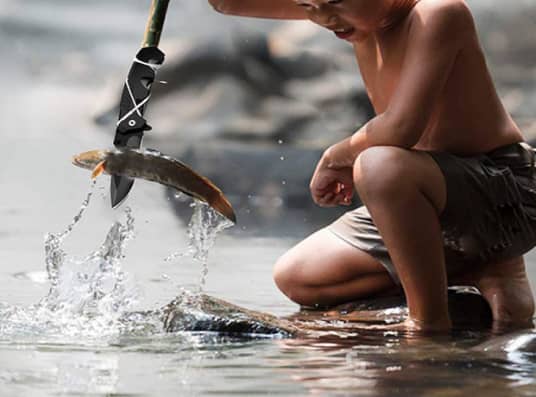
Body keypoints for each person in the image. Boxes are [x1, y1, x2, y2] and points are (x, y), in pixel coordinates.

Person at [208, 0, 536, 332]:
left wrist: (337, 155)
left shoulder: (437, 13)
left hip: (501, 194)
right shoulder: (360, 17)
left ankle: (430, 319)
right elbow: (226, 3)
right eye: (307, 6)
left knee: (377, 165)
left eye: (334, 2)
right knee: (297, 276)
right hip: (425, 198)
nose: (323, 18)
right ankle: (471, 270)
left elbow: (402, 129)